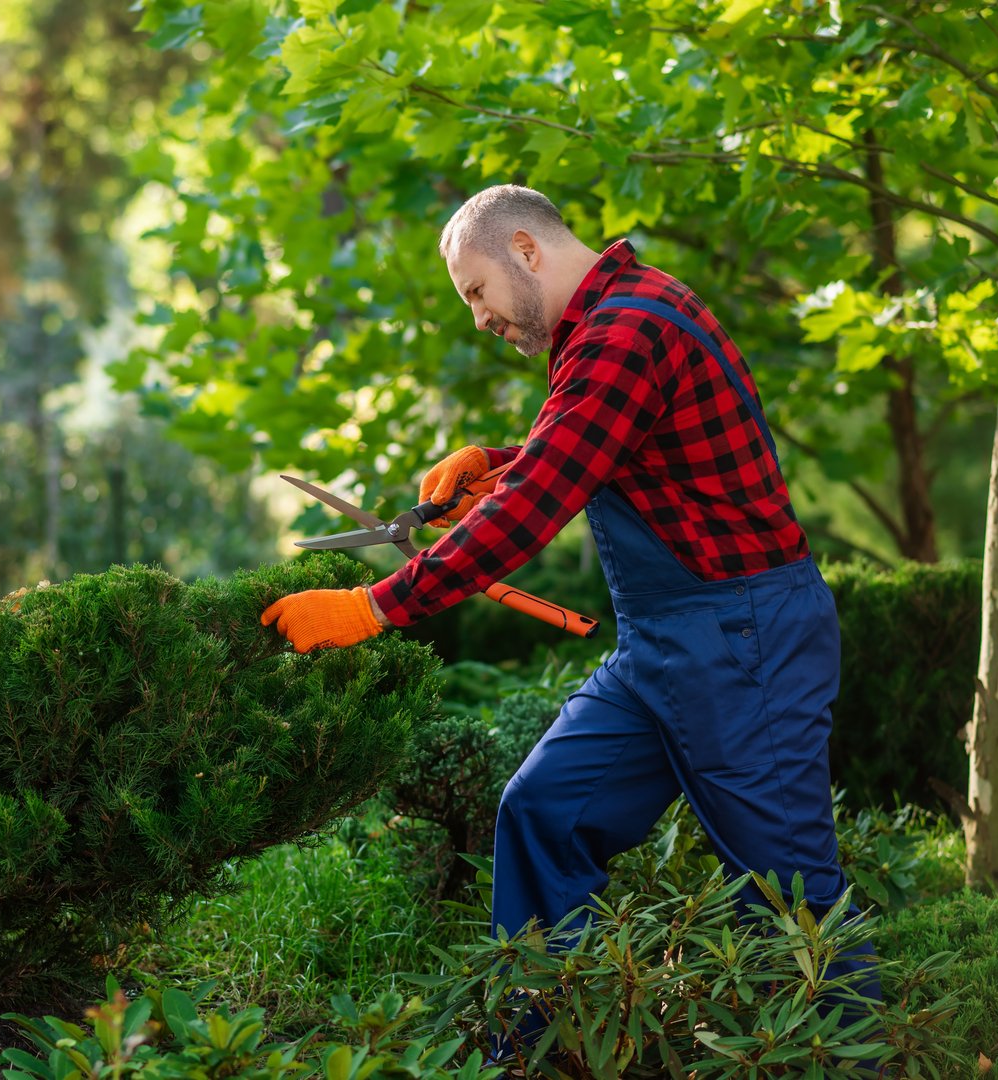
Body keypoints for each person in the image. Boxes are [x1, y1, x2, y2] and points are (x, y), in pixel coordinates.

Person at [260, 184, 882, 1056]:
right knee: (544, 809)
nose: (477, 318)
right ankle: (545, 1050)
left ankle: (853, 1061)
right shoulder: (616, 318)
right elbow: (591, 449)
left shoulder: (626, 331)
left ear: (524, 250)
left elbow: (541, 499)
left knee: (789, 895)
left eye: (475, 291)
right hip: (670, 642)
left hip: (744, 641)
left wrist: (373, 606)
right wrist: (494, 462)